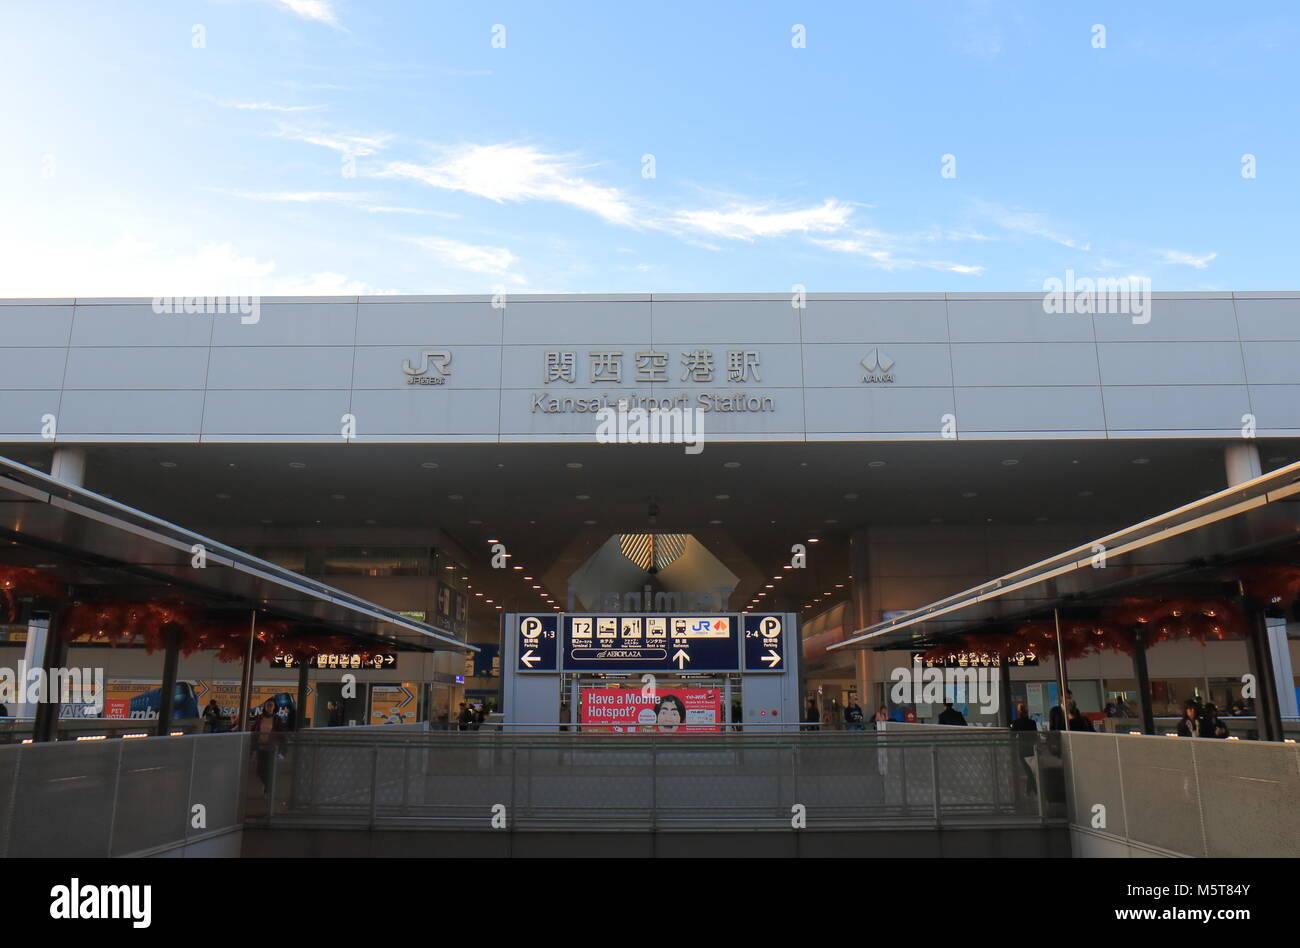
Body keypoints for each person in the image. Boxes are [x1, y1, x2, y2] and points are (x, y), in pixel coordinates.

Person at [249, 698, 286, 798]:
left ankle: (268, 789)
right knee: (260, 770)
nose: (269, 707)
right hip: (261, 746)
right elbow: (254, 731)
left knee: (270, 769)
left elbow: (282, 734)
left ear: (274, 707)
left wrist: (282, 749)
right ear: (265, 706)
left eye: (271, 705)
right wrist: (252, 745)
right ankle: (268, 786)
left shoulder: (277, 719)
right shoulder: (259, 718)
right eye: (267, 705)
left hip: (271, 747)